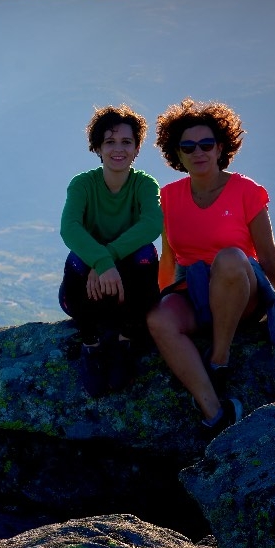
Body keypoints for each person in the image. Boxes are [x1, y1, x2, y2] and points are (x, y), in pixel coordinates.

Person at [147, 98, 275, 436]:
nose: (198, 152)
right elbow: (169, 258)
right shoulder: (169, 197)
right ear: (177, 152)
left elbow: (268, 254)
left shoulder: (246, 191)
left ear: (221, 147)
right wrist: (161, 302)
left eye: (206, 144)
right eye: (188, 146)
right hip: (195, 291)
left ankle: (219, 360)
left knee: (230, 257)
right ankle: (215, 412)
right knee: (158, 319)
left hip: (242, 293)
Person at [59, 104, 163, 396]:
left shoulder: (144, 185)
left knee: (145, 254)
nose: (119, 149)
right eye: (110, 142)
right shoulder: (82, 185)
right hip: (83, 294)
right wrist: (101, 263)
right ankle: (90, 345)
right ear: (98, 147)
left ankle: (125, 340)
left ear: (137, 148)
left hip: (129, 292)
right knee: (77, 260)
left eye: (126, 142)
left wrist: (106, 261)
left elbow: (151, 226)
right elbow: (70, 228)